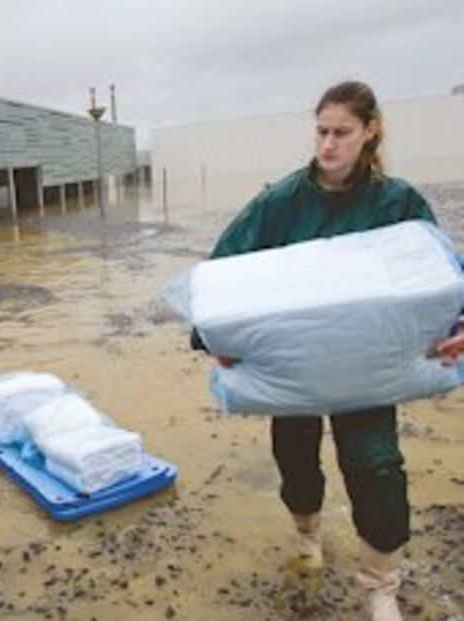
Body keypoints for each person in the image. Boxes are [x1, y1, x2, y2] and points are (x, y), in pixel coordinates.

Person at [201, 81, 445, 621]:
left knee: (377, 466)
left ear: (370, 133)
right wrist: (216, 340)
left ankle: (381, 586)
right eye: (321, 132)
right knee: (296, 456)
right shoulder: (281, 201)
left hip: (368, 369)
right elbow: (222, 269)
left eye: (341, 133)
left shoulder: (398, 202)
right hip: (294, 368)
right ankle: (307, 536)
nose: (328, 145)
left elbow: (438, 275)